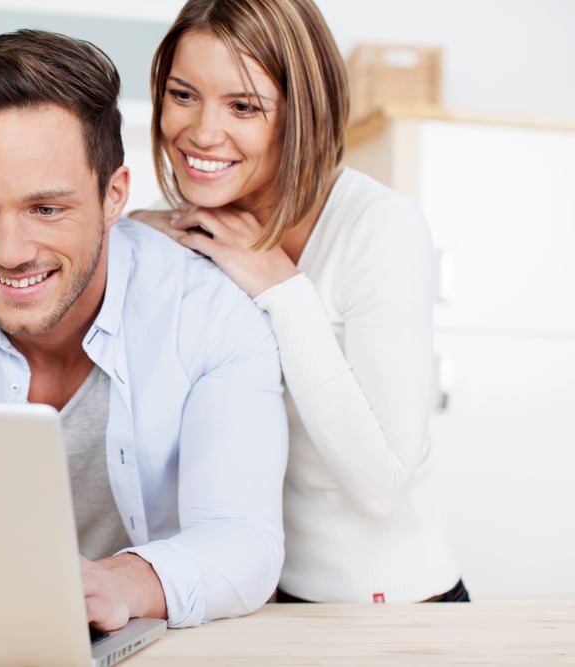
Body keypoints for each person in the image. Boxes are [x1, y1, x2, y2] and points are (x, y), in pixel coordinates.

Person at [0, 29, 289, 629]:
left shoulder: (210, 314)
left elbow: (245, 540)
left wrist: (121, 583)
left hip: (142, 635)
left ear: (114, 195)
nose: (8, 252)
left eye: (45, 209)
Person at [129, 0, 468, 603]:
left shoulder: (377, 228)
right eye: (183, 95)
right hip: (261, 602)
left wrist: (283, 288)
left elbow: (382, 485)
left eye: (244, 106)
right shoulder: (184, 232)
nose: (203, 132)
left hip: (397, 612)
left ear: (302, 115)